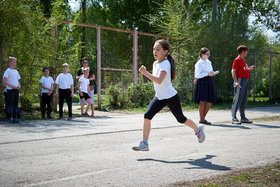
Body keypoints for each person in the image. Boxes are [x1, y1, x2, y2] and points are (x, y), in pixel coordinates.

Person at [132, 39, 205, 151]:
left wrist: (145, 73)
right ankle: (144, 143)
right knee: (147, 116)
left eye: (158, 50)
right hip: (159, 97)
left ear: (165, 51)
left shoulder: (165, 64)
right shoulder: (155, 63)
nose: (155, 52)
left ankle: (198, 129)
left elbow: (159, 80)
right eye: (154, 49)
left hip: (171, 97)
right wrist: (146, 73)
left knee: (181, 119)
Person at [193, 48, 217, 125]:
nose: (208, 55)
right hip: (202, 82)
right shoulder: (199, 63)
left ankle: (202, 118)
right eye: (207, 54)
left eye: (209, 54)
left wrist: (212, 73)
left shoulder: (209, 62)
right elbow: (197, 75)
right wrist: (207, 74)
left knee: (210, 101)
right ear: (202, 55)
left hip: (209, 81)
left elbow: (210, 71)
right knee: (202, 101)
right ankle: (202, 119)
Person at [231, 45, 255, 124]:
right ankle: (234, 118)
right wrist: (236, 81)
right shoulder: (237, 60)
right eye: (246, 51)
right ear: (242, 52)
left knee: (244, 99)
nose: (246, 53)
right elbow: (233, 71)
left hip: (245, 81)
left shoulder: (243, 60)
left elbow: (244, 70)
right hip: (240, 81)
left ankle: (243, 117)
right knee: (237, 99)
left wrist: (249, 69)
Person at [2, 57, 21, 123]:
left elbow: (17, 80)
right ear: (9, 63)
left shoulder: (16, 71)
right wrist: (12, 86)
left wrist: (19, 85)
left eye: (15, 62)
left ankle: (14, 117)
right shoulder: (7, 71)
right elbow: (4, 81)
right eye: (13, 62)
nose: (15, 63)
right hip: (10, 90)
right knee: (10, 104)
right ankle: (8, 118)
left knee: (16, 104)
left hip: (16, 90)